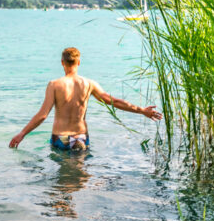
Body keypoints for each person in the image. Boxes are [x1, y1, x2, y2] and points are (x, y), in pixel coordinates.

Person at [9, 47, 162, 151]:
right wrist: (142, 110)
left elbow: (43, 115)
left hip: (60, 138)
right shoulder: (89, 84)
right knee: (79, 178)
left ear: (62, 62)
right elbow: (113, 101)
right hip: (80, 138)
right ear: (79, 62)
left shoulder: (54, 85)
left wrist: (22, 133)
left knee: (61, 182)